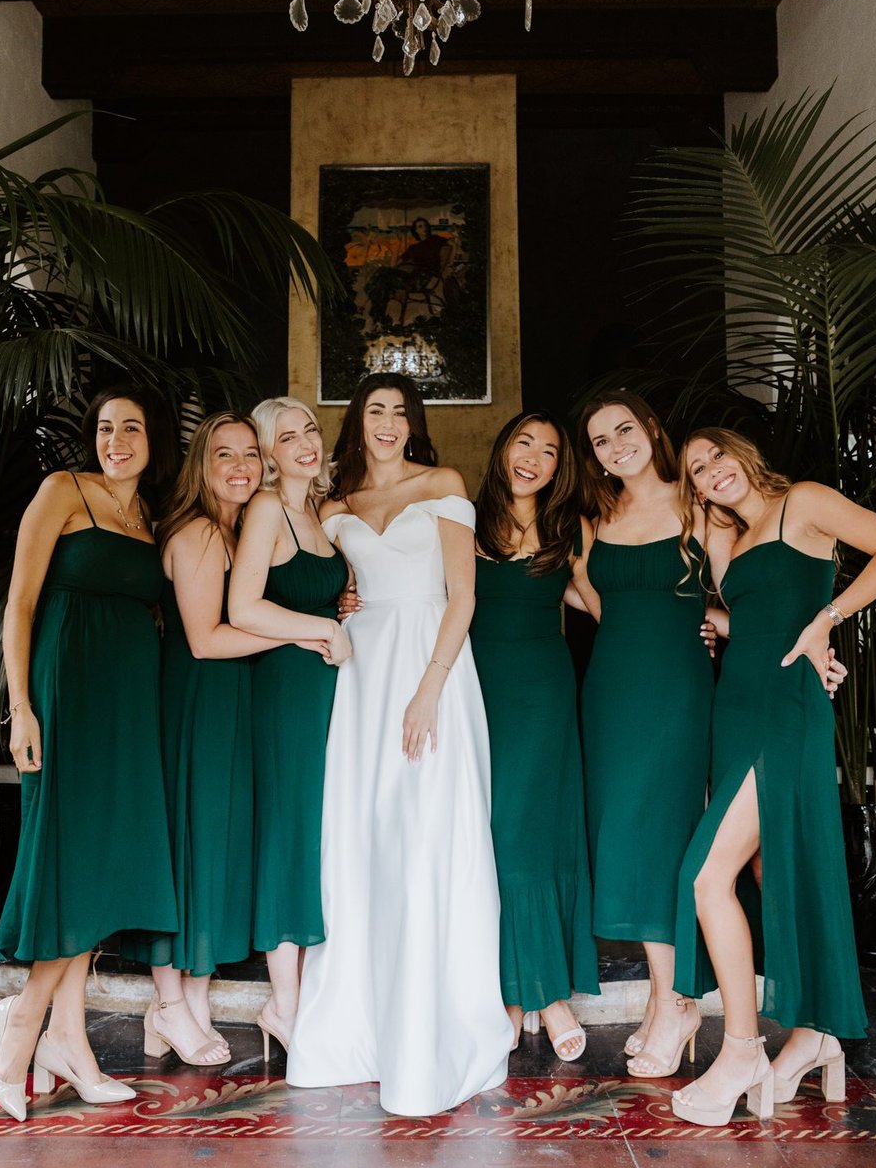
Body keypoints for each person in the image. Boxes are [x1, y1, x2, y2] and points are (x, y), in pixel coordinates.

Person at [671, 428, 876, 1128]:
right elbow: (752, 615)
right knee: (763, 875)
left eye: (716, 454)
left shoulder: (802, 503)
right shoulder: (731, 539)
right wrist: (721, 619)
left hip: (784, 708)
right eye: (696, 471)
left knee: (706, 877)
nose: (711, 471)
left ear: (742, 452)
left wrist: (825, 625)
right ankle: (813, 1037)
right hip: (737, 706)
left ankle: (744, 1050)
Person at [285, 372, 512, 1116]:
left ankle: (436, 1028)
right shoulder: (335, 505)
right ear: (358, 422)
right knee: (365, 835)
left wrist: (428, 686)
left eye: (399, 412)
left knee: (428, 833)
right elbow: (328, 580)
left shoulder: (442, 481)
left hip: (432, 665)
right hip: (361, 672)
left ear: (414, 424)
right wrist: (344, 603)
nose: (387, 422)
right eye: (374, 409)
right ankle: (361, 1022)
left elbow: (464, 594)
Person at [0, 385, 180, 1120]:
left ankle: (68, 1041)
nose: (116, 439)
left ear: (153, 438)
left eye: (131, 426)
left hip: (127, 706)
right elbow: (20, 604)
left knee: (98, 864)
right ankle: (21, 1027)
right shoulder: (63, 490)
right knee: (71, 860)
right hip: (65, 694)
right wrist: (20, 705)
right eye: (104, 427)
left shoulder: (150, 518)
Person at [124, 412, 330, 1065]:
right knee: (189, 845)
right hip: (198, 701)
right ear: (201, 466)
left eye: (249, 454)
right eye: (225, 455)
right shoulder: (199, 534)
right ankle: (170, 1003)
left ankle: (192, 1003)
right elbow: (207, 639)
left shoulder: (238, 530)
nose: (240, 465)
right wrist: (305, 630)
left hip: (234, 702)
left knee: (213, 847)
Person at [574, 390, 720, 1080]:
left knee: (662, 836)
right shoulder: (595, 515)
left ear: (652, 429)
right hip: (610, 692)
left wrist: (724, 626)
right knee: (625, 837)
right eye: (600, 440)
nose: (614, 447)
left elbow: (747, 583)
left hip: (676, 691)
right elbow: (576, 590)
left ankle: (675, 1001)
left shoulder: (697, 505)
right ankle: (669, 999)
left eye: (624, 430)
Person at [470, 411, 599, 1059]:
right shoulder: (461, 518)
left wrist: (687, 620)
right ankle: (517, 989)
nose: (534, 458)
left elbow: (598, 601)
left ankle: (539, 995)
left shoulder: (568, 529)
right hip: (477, 690)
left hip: (545, 693)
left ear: (559, 468)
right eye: (525, 443)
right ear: (503, 450)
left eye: (549, 452)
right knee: (493, 834)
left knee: (530, 835)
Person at [228, 398, 351, 1061]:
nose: (304, 443)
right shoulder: (269, 510)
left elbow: (315, 591)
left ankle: (307, 991)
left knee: (318, 833)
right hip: (285, 691)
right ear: (268, 453)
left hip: (327, 692)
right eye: (286, 436)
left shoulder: (316, 514)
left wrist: (343, 604)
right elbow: (242, 606)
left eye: (309, 430)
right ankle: (285, 1003)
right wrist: (323, 626)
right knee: (289, 833)